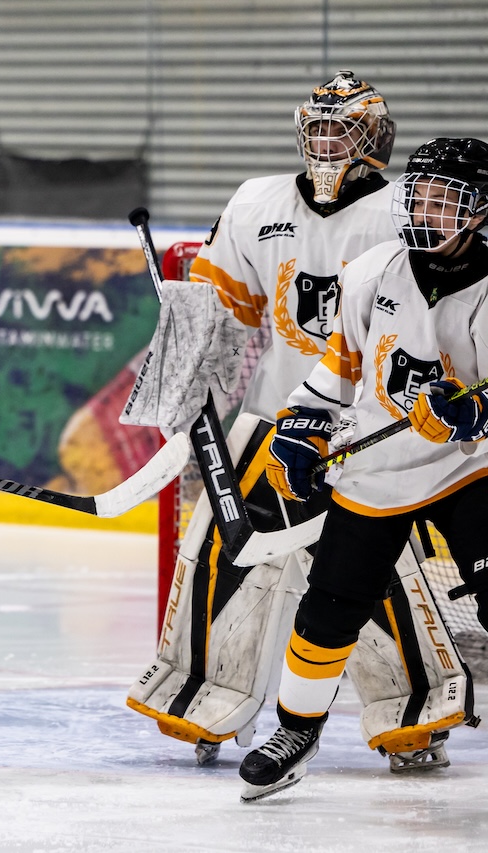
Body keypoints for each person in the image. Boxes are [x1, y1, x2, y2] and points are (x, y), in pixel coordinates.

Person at [123, 72, 444, 768]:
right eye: (317, 128)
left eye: (342, 130)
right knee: (222, 554)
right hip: (275, 418)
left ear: (375, 139)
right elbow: (217, 305)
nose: (326, 143)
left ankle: (412, 710)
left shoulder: (405, 213)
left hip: (366, 432)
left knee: (376, 571)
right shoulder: (255, 201)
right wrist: (184, 384)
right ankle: (205, 696)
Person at [240, 137, 488, 800]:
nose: (426, 212)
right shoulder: (373, 270)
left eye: (444, 201)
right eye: (420, 197)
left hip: (470, 471)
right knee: (329, 606)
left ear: (479, 211)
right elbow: (341, 368)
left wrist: (472, 411)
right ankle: (295, 731)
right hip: (379, 466)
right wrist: (303, 426)